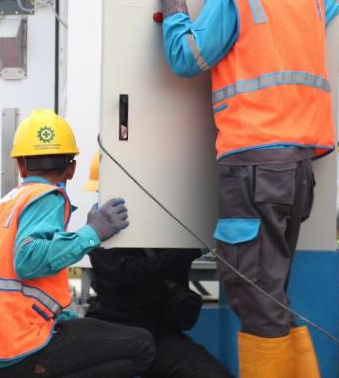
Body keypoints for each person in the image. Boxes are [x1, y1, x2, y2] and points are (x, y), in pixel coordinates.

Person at [150, 0, 339, 377]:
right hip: (297, 171)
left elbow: (187, 58)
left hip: (254, 167)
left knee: (254, 297)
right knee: (270, 293)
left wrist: (174, 2)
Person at [0, 109, 155, 377]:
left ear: (21, 166)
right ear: (71, 168)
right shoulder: (50, 197)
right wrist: (93, 232)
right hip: (16, 348)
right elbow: (28, 261)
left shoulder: (2, 206)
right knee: (142, 346)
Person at [83, 153, 232, 378]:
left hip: (159, 333)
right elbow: (127, 275)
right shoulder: (98, 230)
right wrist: (188, 250)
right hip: (112, 328)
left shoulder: (168, 224)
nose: (100, 199)